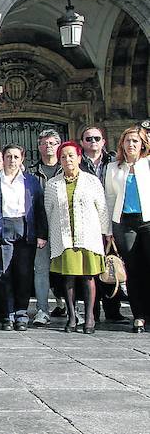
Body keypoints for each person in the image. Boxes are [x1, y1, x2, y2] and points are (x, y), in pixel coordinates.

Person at [0, 144, 47, 332]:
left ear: (22, 159)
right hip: (1, 229)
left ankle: (21, 313)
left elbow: (38, 208)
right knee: (2, 273)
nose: (12, 160)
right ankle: (7, 314)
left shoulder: (30, 181)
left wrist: (41, 234)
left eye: (16, 157)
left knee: (23, 273)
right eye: (8, 157)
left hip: (24, 229)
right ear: (3, 159)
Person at [45, 141, 109, 334]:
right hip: (64, 237)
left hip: (88, 236)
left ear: (79, 157)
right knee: (69, 278)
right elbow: (49, 211)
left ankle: (90, 316)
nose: (67, 160)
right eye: (63, 157)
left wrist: (107, 234)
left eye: (71, 155)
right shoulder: (53, 184)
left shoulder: (91, 181)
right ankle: (72, 316)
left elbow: (102, 209)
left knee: (88, 277)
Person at [79, 126, 127, 323]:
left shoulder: (115, 162)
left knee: (111, 264)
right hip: (86, 221)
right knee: (90, 268)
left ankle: (113, 311)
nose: (93, 142)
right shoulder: (78, 162)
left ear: (103, 141)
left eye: (96, 138)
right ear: (82, 142)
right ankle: (93, 312)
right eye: (88, 138)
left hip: (111, 219)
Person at [105, 125, 150, 333]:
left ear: (142, 144)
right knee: (133, 270)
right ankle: (138, 315)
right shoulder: (114, 168)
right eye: (127, 141)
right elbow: (110, 198)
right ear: (122, 143)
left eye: (135, 141)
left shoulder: (148, 164)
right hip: (125, 223)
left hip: (148, 221)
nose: (131, 144)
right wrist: (108, 229)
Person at [27, 129, 63, 328]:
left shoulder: (67, 168)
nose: (48, 146)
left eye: (52, 143)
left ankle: (69, 306)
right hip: (41, 230)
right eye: (44, 143)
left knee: (66, 271)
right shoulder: (32, 173)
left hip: (63, 229)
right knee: (40, 270)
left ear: (59, 145)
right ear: (39, 146)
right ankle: (42, 309)